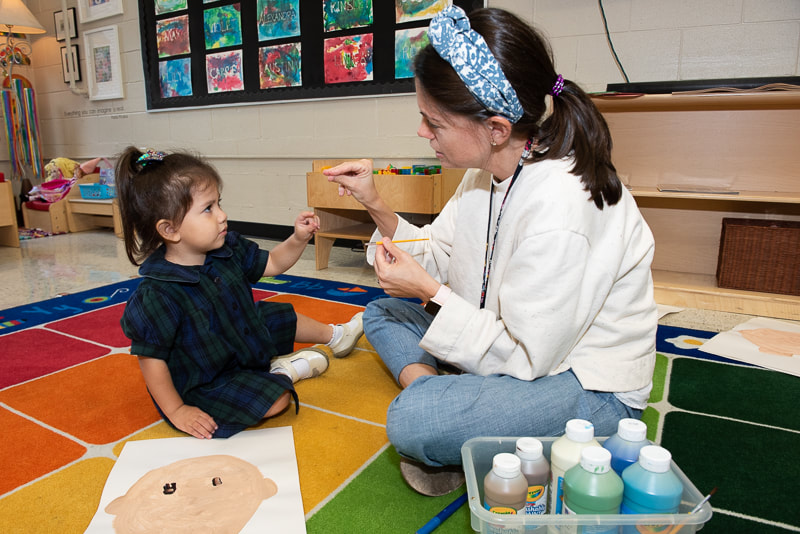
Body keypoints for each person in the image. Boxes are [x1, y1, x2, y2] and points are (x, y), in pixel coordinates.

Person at [324, 6, 657, 495]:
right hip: (505, 346)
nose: (423, 133)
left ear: (497, 128)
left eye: (433, 122)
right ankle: (455, 405)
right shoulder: (491, 169)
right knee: (382, 312)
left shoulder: (561, 207)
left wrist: (432, 292)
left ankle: (446, 409)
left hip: (585, 385)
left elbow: (528, 358)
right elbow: (437, 250)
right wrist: (373, 202)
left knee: (416, 421)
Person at [116, 146, 363, 439]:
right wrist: (177, 410)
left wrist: (298, 238)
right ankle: (283, 372)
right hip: (208, 379)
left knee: (278, 315)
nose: (222, 215)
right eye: (208, 209)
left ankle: (336, 336)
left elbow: (272, 262)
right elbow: (151, 361)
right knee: (277, 400)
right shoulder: (157, 293)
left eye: (219, 203)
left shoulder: (226, 247)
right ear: (170, 230)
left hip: (238, 341)